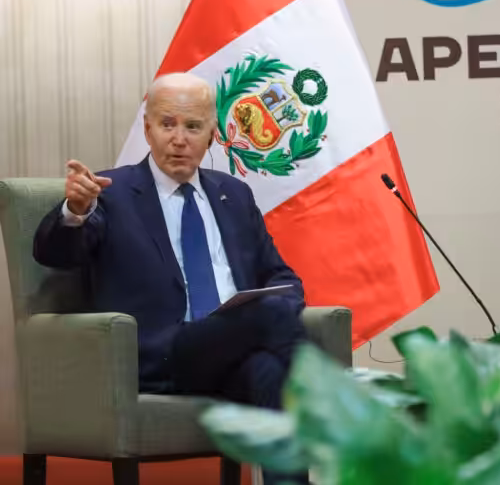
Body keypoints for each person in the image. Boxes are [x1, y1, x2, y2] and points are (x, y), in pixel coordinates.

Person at [33, 73, 308, 485]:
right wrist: (75, 211)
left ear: (211, 136)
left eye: (193, 127)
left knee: (270, 370)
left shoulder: (234, 195)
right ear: (148, 130)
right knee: (271, 317)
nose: (179, 139)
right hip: (162, 356)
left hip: (231, 354)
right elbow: (55, 253)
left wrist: (274, 312)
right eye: (167, 124)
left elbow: (282, 276)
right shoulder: (111, 192)